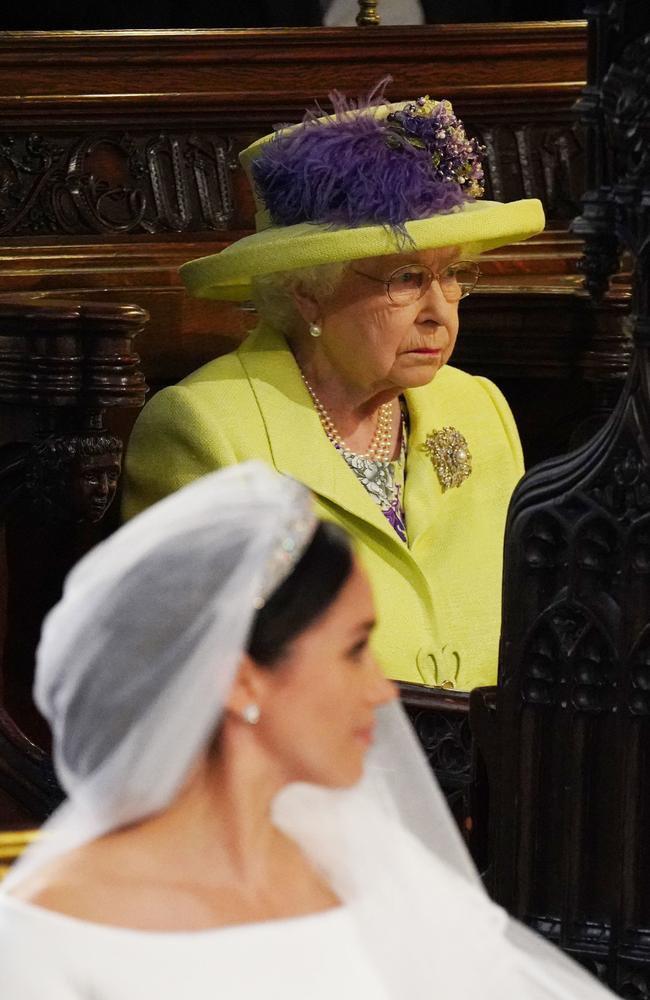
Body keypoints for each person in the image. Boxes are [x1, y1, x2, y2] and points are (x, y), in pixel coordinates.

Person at [0, 463, 613, 998]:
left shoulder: (362, 863)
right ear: (242, 680)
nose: (383, 690)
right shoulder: (45, 934)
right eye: (354, 650)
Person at [123, 85, 546, 690]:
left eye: (452, 274)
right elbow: (187, 681)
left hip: (495, 772)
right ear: (307, 292)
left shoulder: (477, 408)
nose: (440, 311)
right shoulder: (204, 430)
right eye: (406, 278)